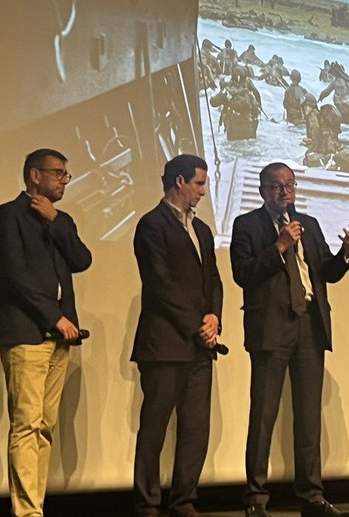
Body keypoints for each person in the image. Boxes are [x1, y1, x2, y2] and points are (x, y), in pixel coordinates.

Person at [229, 163, 349, 517]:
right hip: (271, 329)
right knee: (264, 415)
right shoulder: (247, 225)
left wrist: (345, 253)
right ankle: (255, 499)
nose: (284, 192)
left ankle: (312, 497)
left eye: (289, 186)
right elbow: (243, 274)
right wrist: (280, 246)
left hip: (309, 328)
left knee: (308, 417)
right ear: (262, 190)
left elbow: (324, 272)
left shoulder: (309, 225)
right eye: (275, 187)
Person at [0, 149, 93, 517]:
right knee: (27, 424)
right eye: (58, 174)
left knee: (45, 426)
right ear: (35, 175)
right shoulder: (7, 216)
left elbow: (82, 259)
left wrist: (57, 221)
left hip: (60, 336)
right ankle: (27, 512)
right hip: (25, 332)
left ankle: (36, 506)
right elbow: (15, 276)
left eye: (66, 175)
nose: (64, 180)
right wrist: (54, 318)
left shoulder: (59, 220)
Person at [131, 154, 223, 517]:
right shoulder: (151, 225)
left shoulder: (201, 230)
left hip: (201, 345)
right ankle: (147, 503)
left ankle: (183, 500)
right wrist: (197, 325)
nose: (203, 191)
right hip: (164, 344)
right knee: (154, 427)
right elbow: (160, 284)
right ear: (180, 182)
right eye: (199, 184)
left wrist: (214, 316)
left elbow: (213, 280)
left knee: (195, 428)